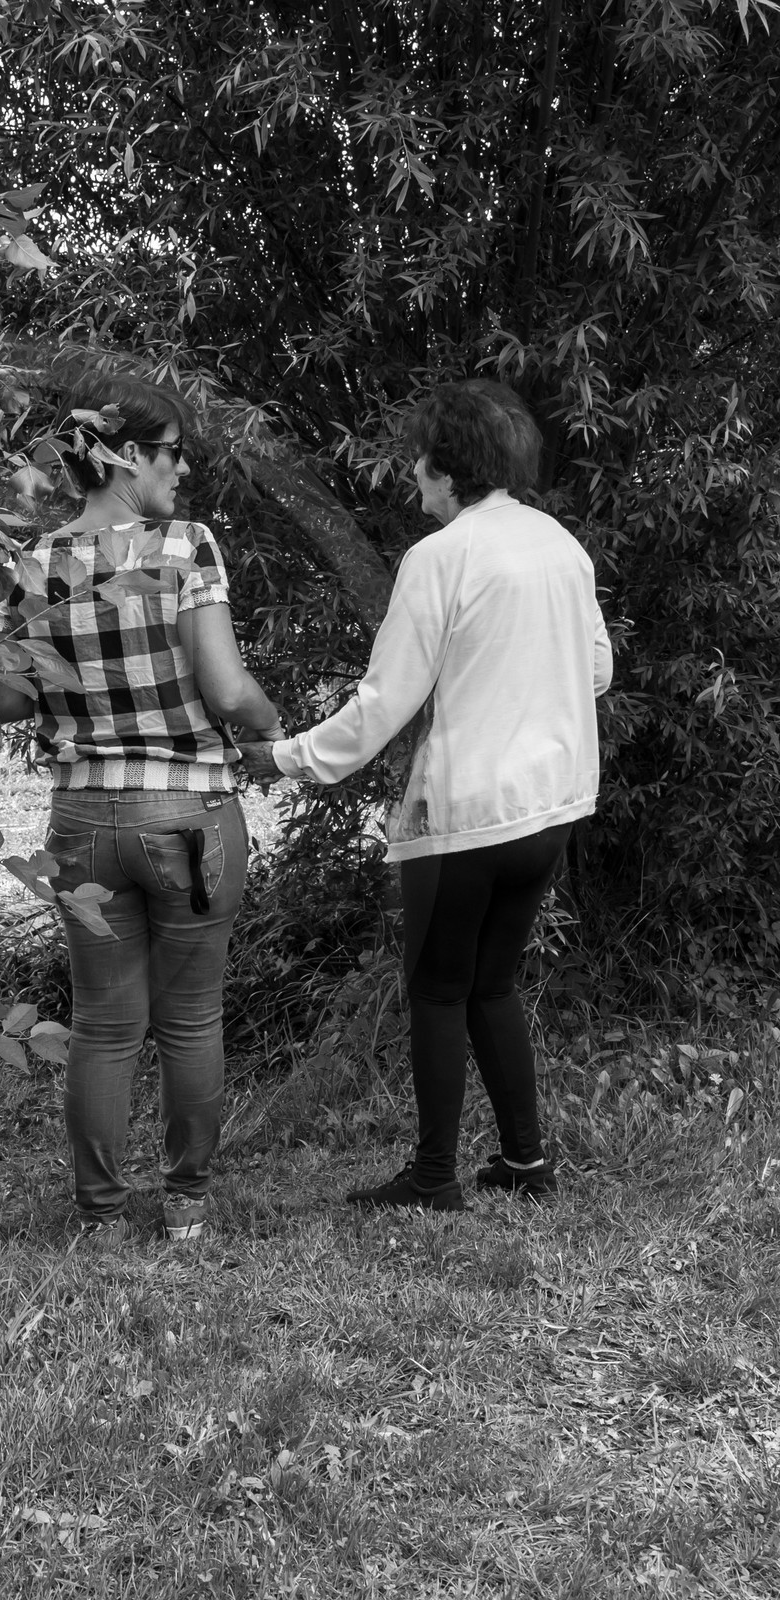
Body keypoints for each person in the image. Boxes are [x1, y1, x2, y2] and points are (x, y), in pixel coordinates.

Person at [241, 380, 612, 1209]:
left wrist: (288, 759)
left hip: (465, 815)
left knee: (440, 989)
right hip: (552, 806)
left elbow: (386, 700)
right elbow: (597, 670)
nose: (412, 476)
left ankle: (436, 1176)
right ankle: (524, 1162)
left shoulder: (440, 558)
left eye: (420, 462)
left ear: (449, 468)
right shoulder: (561, 544)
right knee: (495, 983)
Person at [0, 372, 282, 1246]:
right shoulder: (183, 546)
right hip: (188, 816)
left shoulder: (33, 565)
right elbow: (226, 688)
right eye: (172, 454)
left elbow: (3, 703)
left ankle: (102, 1216)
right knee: (190, 1018)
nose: (181, 471)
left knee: (104, 1027)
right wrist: (269, 725)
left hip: (81, 821)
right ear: (125, 459)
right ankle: (186, 1203)